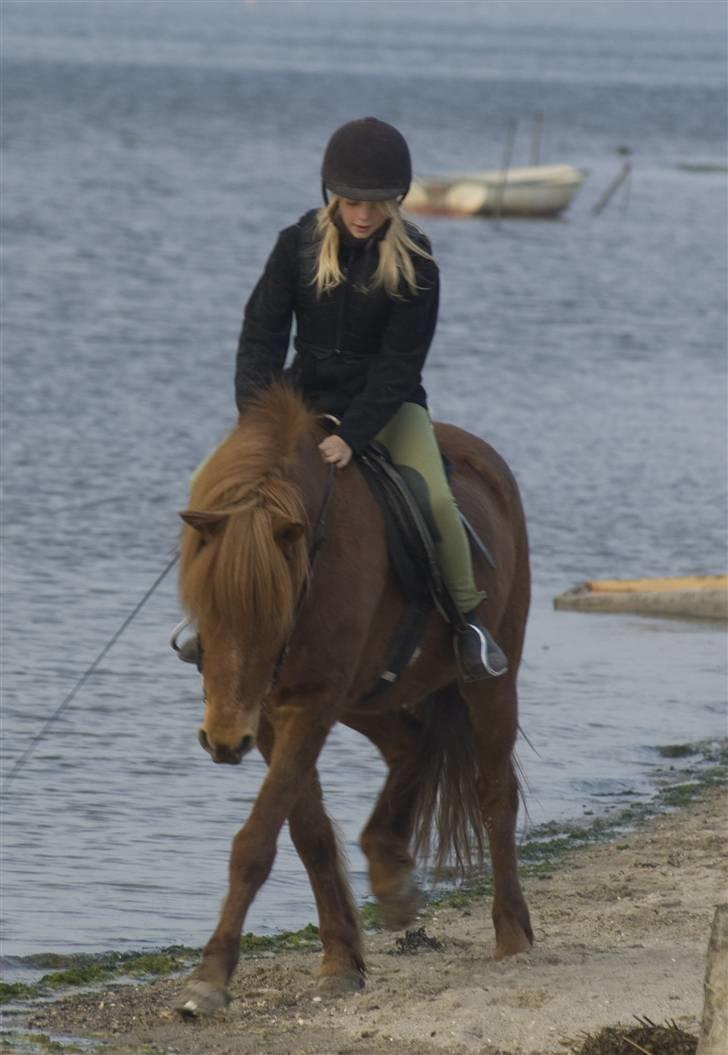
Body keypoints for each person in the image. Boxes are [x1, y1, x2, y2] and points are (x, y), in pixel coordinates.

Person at [178, 117, 507, 681]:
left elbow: (401, 365)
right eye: (352, 201)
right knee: (208, 482)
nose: (362, 214)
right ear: (331, 193)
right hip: (299, 398)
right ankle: (207, 615)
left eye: (376, 204)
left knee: (433, 503)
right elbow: (260, 335)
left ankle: (467, 622)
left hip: (388, 406)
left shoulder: (418, 262)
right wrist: (258, 421)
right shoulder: (296, 245)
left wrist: (351, 436)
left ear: (397, 200)